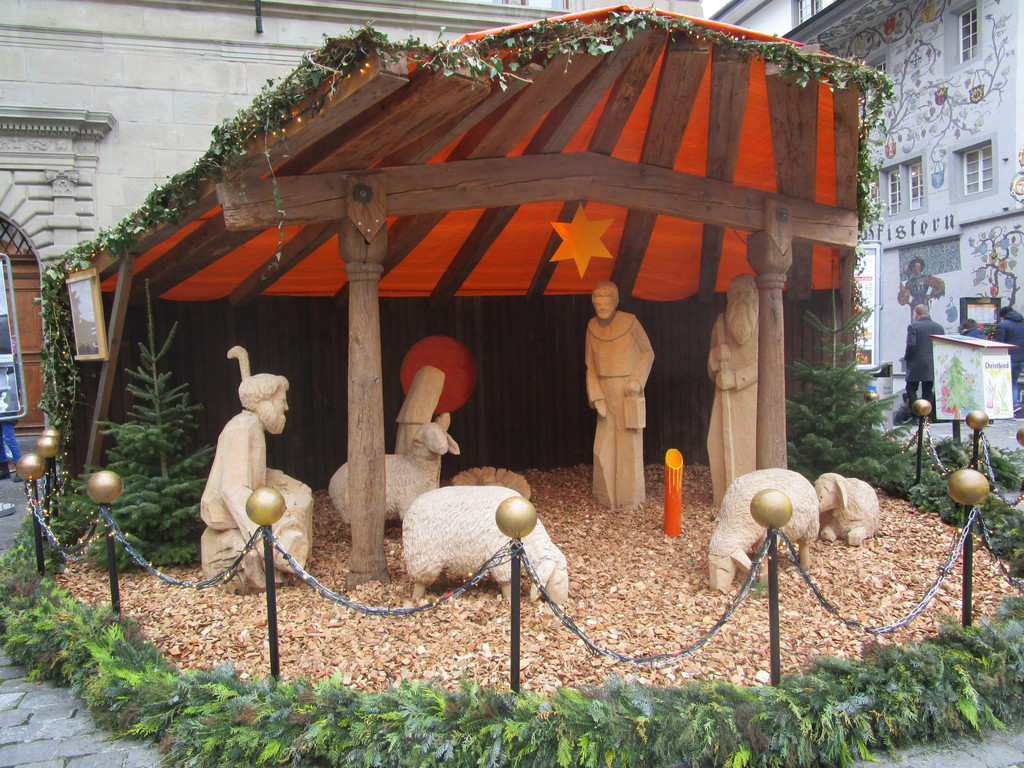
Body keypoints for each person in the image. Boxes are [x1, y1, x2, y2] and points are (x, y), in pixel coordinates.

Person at [200, 346, 313, 594]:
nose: (286, 407)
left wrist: (281, 479)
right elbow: (233, 489)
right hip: (226, 509)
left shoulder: (252, 426)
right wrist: (266, 540)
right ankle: (286, 552)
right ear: (265, 402)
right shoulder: (244, 428)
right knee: (295, 503)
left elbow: (251, 473)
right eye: (282, 401)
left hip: (245, 498)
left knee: (301, 492)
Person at [585, 281, 654, 509]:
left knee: (628, 445)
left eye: (605, 303)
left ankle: (628, 499)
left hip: (627, 391)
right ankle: (606, 496)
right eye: (597, 304)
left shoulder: (630, 323)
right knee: (602, 448)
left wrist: (637, 380)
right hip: (605, 392)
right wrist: (597, 397)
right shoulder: (592, 327)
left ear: (615, 302)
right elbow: (590, 365)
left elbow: (647, 353)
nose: (601, 308)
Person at [707, 274, 759, 507]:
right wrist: (715, 358)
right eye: (734, 295)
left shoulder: (766, 323)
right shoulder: (721, 324)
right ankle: (725, 494)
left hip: (752, 400)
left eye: (745, 294)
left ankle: (751, 498)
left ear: (756, 296)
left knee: (750, 446)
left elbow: (768, 365)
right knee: (716, 444)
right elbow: (711, 368)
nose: (740, 300)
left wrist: (737, 378)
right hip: (724, 400)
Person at [904, 304, 944, 417]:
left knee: (911, 388)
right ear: (928, 313)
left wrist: (907, 357)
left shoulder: (913, 326)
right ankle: (927, 415)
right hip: (932, 363)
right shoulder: (939, 328)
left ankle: (915, 415)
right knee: (927, 390)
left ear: (916, 314)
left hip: (916, 363)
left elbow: (911, 345)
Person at [995, 305, 1024, 414]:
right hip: (1021, 359)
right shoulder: (1022, 323)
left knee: (1003, 383)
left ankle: (1005, 408)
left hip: (1007, 358)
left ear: (1003, 316)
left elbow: (999, 344)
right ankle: (1014, 406)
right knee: (1013, 383)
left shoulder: (1002, 325)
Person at [897, 257, 945, 322]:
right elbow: (903, 298)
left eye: (917, 267)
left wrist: (931, 296)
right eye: (914, 267)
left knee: (925, 320)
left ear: (921, 268)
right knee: (915, 320)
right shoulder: (909, 283)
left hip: (924, 302)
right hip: (914, 304)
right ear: (911, 268)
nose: (916, 269)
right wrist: (903, 292)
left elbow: (939, 286)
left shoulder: (926, 278)